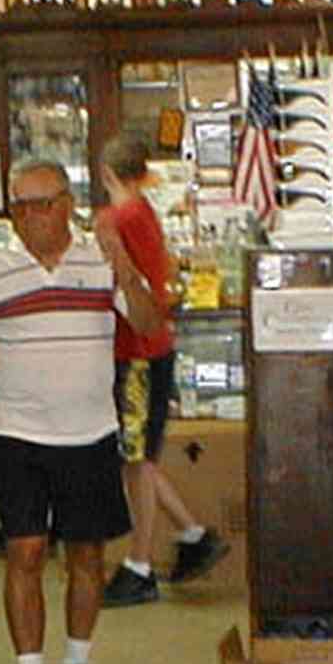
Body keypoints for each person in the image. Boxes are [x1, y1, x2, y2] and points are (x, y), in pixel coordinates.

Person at [0, 156, 163, 664]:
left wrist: (121, 264)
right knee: (24, 553)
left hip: (89, 434)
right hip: (16, 434)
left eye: (43, 203)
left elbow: (148, 321)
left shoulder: (100, 261)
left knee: (87, 557)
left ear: (67, 204)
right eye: (20, 205)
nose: (31, 216)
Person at [96, 133, 229, 608]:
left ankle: (140, 564)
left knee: (135, 460)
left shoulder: (115, 219)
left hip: (133, 350)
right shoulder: (146, 213)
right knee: (142, 455)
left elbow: (111, 278)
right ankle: (193, 535)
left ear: (108, 174)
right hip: (155, 346)